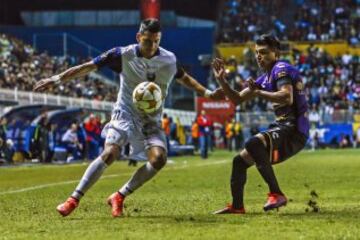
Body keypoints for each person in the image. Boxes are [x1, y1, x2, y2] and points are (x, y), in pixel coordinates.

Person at [34, 18, 224, 217]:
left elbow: (186, 79)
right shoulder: (121, 55)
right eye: (148, 41)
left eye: (157, 41)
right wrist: (56, 79)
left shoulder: (169, 60)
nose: (152, 46)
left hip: (151, 120)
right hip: (124, 113)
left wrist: (209, 94)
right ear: (138, 37)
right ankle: (73, 199)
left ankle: (119, 195)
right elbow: (88, 66)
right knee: (110, 153)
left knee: (159, 159)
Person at [212, 34, 309, 214]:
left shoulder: (281, 69)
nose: (259, 56)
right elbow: (237, 99)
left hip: (294, 128)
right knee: (239, 161)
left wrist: (259, 93)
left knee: (254, 143)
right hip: (283, 127)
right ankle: (237, 206)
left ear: (276, 53)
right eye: (257, 53)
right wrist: (222, 80)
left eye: (264, 52)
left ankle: (276, 193)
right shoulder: (264, 78)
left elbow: (287, 97)